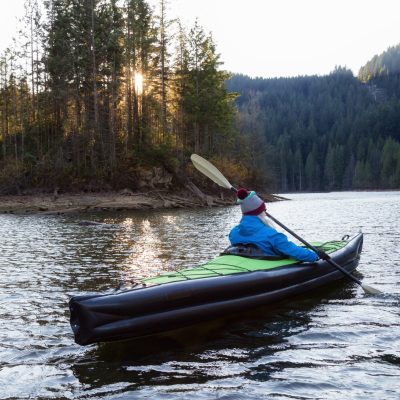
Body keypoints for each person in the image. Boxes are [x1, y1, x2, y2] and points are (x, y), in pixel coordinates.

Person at [229, 188, 319, 262]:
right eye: (264, 209)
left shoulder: (233, 233)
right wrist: (315, 256)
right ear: (261, 212)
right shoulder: (271, 235)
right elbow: (294, 251)